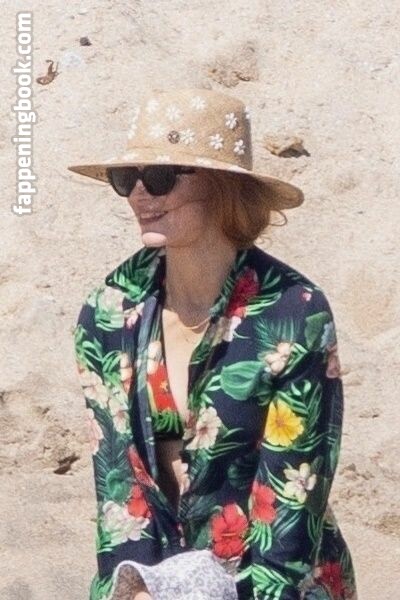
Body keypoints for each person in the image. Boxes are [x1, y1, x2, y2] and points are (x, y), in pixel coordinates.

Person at [69, 88, 357, 600]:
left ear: (223, 187)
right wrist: (135, 588)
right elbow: (116, 486)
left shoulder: (293, 313)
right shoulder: (108, 310)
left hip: (271, 580)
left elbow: (293, 505)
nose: (139, 195)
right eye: (126, 179)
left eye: (160, 177)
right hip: (154, 575)